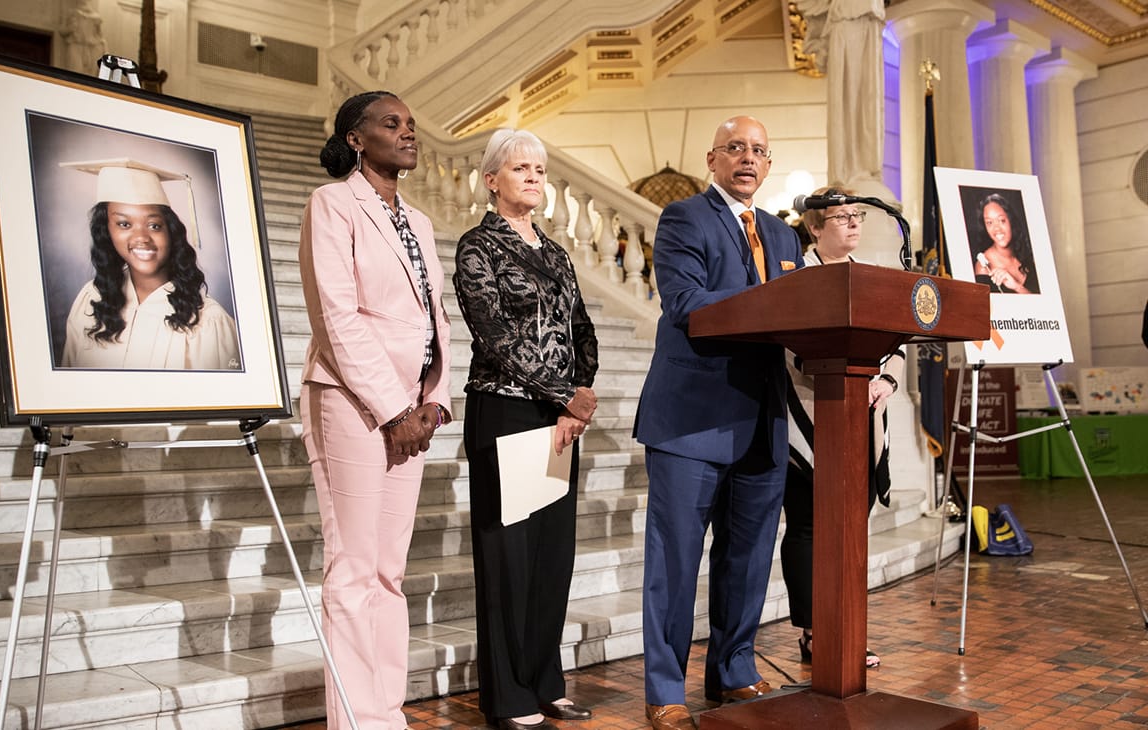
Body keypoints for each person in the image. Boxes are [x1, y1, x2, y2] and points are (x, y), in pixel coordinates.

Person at [634, 116, 804, 730]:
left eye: (760, 150)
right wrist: (773, 305)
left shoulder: (785, 236)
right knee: (676, 563)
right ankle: (664, 689)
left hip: (763, 421)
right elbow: (684, 302)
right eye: (736, 148)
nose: (748, 158)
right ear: (713, 159)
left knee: (750, 557)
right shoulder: (684, 218)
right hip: (691, 420)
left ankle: (732, 670)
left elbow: (800, 313)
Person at [298, 90, 452, 730]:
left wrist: (435, 400)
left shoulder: (419, 220)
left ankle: (388, 711)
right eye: (391, 124)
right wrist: (393, 409)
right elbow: (336, 316)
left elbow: (433, 318)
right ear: (356, 139)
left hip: (410, 408)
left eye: (411, 125)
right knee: (355, 568)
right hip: (352, 402)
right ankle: (357, 721)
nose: (407, 133)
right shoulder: (333, 203)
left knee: (390, 572)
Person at [454, 129, 599, 730]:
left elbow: (582, 332)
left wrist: (573, 400)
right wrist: (564, 392)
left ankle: (546, 682)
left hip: (557, 416)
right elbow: (495, 337)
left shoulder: (557, 253)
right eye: (521, 169)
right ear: (492, 180)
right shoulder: (476, 248)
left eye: (540, 169)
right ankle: (509, 695)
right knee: (508, 558)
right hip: (505, 410)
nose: (535, 178)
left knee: (550, 557)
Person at [781, 185, 904, 670]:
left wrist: (888, 381)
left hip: (865, 412)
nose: (852, 223)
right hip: (810, 413)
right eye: (841, 217)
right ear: (814, 227)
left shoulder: (869, 279)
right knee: (810, 527)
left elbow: (894, 339)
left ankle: (848, 628)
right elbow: (788, 341)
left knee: (853, 529)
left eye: (857, 216)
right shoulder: (795, 276)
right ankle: (816, 632)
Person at [60, 158, 241, 370]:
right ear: (106, 232)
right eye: (124, 224)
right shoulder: (90, 299)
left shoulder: (209, 321)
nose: (141, 237)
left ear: (171, 232)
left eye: (154, 225)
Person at [971, 191, 1039, 294]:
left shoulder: (1028, 257)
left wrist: (1017, 287)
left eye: (1002, 220)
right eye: (989, 223)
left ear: (1011, 220)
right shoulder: (983, 267)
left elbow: (1044, 307)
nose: (996, 228)